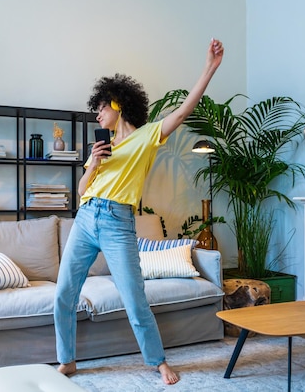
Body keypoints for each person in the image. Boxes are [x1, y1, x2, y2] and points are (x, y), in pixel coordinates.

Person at [54, 39, 224, 385]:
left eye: (101, 108)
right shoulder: (102, 147)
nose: (97, 114)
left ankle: (158, 362)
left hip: (118, 222)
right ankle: (67, 360)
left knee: (134, 297)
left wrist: (209, 68)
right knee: (63, 293)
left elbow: (183, 111)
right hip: (87, 217)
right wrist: (94, 163)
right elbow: (83, 191)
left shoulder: (147, 136)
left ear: (117, 103)